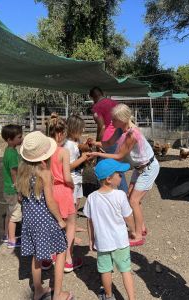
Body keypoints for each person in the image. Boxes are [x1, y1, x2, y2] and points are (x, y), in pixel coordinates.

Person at [89, 104, 160, 247]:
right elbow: (109, 143)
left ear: (122, 119)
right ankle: (142, 228)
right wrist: (95, 143)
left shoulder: (131, 134)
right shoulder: (120, 128)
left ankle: (138, 236)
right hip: (139, 168)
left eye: (114, 119)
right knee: (130, 197)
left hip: (148, 168)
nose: (111, 122)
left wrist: (97, 153)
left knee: (134, 200)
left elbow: (119, 156)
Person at [17, 130, 73, 300]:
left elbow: (20, 198)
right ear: (44, 157)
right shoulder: (45, 174)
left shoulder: (22, 173)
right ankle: (58, 294)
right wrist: (60, 220)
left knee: (36, 255)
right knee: (62, 250)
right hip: (46, 220)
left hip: (29, 220)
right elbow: (50, 202)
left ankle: (39, 290)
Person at [84, 158, 136, 300]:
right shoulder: (120, 195)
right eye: (119, 174)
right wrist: (133, 230)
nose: (121, 176)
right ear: (109, 179)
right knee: (125, 270)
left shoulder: (91, 198)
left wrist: (91, 239)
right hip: (120, 241)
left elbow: (90, 221)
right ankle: (132, 298)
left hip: (102, 242)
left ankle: (108, 295)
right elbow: (128, 216)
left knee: (105, 270)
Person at [48, 114, 83, 273]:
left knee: (52, 223)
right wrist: (70, 186)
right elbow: (68, 176)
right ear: (62, 133)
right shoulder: (63, 152)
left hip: (49, 190)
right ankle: (68, 259)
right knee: (70, 224)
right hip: (63, 190)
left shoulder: (45, 151)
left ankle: (49, 258)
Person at [89, 87, 128, 193]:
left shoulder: (97, 107)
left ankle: (101, 195)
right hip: (119, 137)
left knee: (100, 168)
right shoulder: (114, 103)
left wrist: (98, 144)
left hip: (108, 139)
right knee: (118, 167)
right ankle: (124, 193)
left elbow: (101, 126)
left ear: (93, 97)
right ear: (102, 93)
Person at [64, 115, 90, 234]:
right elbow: (67, 167)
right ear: (73, 129)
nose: (82, 131)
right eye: (81, 128)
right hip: (72, 177)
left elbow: (79, 148)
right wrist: (83, 158)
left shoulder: (75, 141)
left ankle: (73, 226)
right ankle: (68, 228)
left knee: (77, 202)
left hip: (78, 176)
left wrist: (86, 145)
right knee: (71, 204)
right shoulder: (67, 145)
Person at [1, 124, 23, 249]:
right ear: (10, 139)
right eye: (19, 137)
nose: (21, 139)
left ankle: (6, 236)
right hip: (13, 189)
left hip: (7, 188)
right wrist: (19, 191)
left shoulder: (9, 150)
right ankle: (12, 240)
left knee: (9, 212)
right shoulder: (12, 155)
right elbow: (14, 174)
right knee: (15, 215)